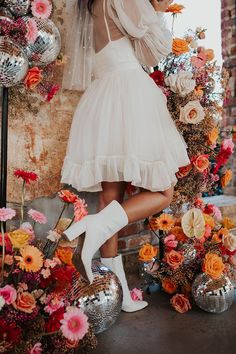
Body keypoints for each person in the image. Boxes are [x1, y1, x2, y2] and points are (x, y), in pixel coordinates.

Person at [61, 0, 190, 312]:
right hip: (129, 92)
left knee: (110, 198)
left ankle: (115, 294)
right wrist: (157, 9)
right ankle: (92, 225)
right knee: (163, 192)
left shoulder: (89, 5)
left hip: (102, 95)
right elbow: (156, 50)